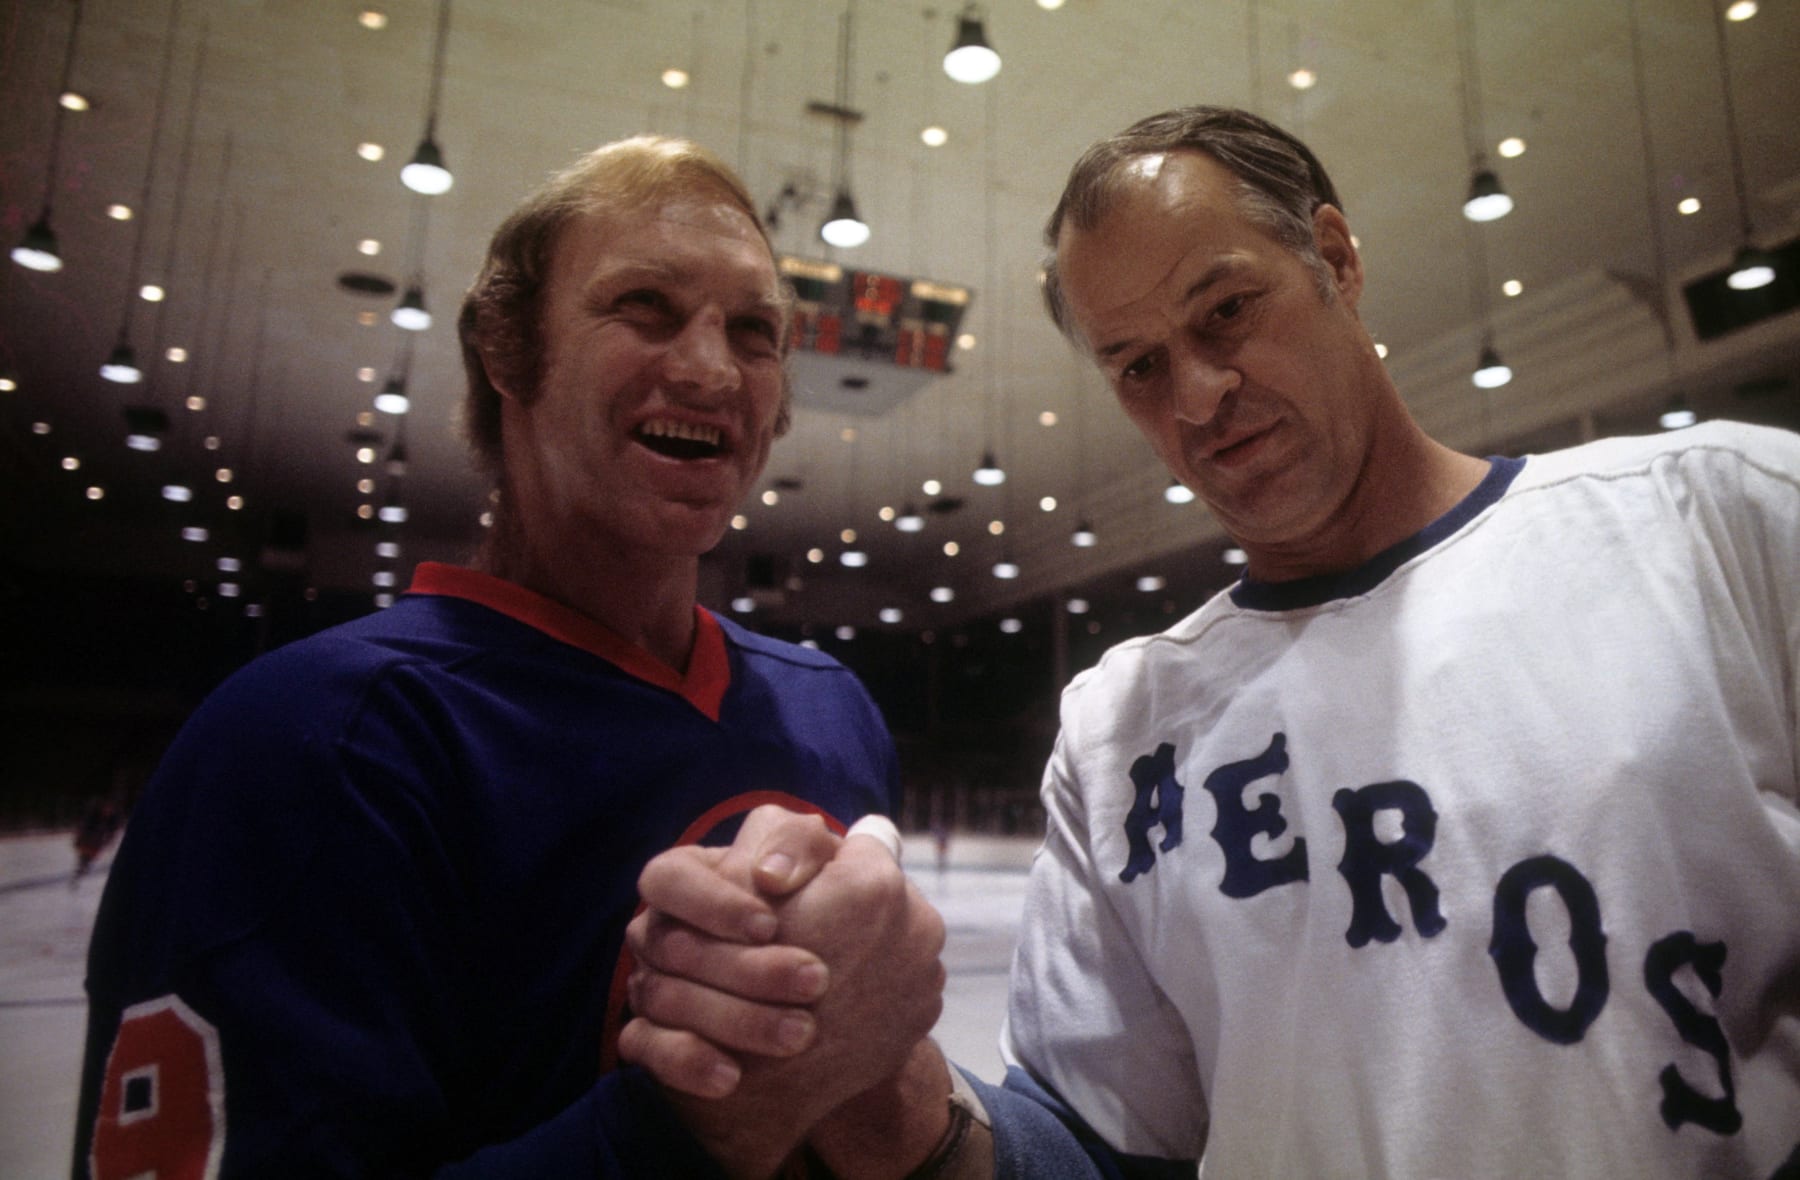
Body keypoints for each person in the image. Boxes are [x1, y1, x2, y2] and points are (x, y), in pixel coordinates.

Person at [622, 105, 1800, 1178]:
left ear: (1334, 257)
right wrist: (890, 1086)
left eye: (1226, 311)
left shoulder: (1726, 521)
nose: (1194, 397)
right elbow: (1100, 1146)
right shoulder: (1119, 725)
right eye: (1138, 366)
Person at [72, 133, 947, 1178]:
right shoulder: (311, 741)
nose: (714, 368)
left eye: (754, 331)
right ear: (505, 346)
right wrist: (700, 1125)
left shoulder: (829, 707)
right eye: (646, 308)